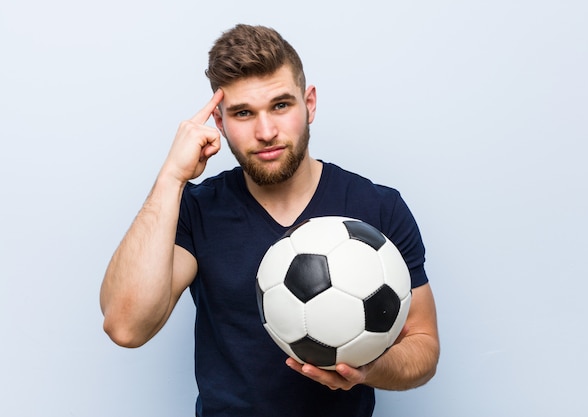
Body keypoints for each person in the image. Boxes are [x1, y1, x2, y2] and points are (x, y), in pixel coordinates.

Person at [100, 24, 439, 417]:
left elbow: (424, 345)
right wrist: (170, 178)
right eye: (243, 113)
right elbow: (126, 327)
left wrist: (368, 369)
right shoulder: (196, 210)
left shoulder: (377, 207)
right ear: (220, 124)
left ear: (309, 103)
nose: (265, 132)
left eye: (281, 105)